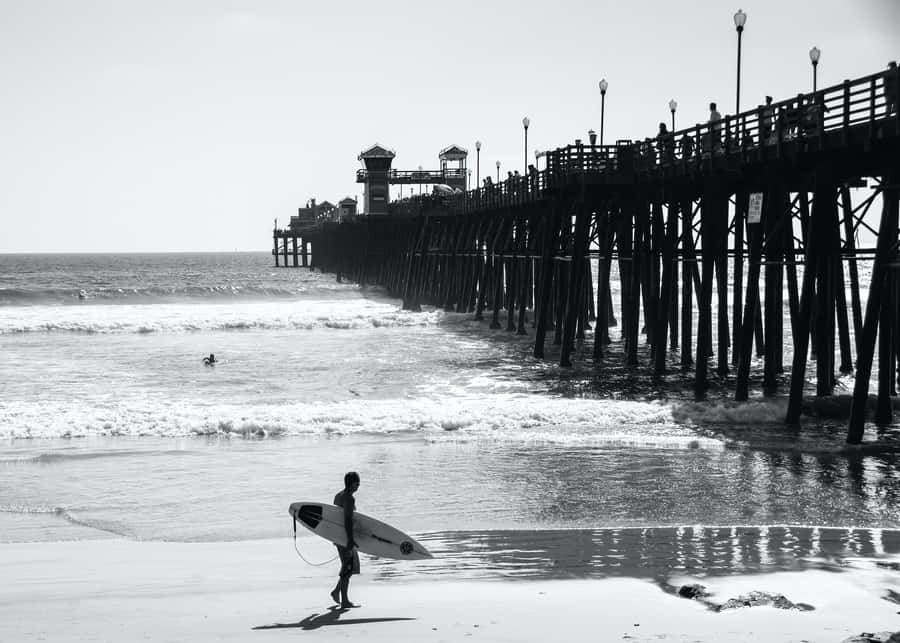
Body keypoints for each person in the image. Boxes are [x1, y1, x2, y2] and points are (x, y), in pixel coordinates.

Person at [330, 471, 360, 608]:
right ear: (351, 483)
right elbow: (347, 520)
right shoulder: (348, 498)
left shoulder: (339, 495)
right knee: (348, 567)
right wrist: (350, 540)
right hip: (345, 537)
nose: (358, 485)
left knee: (350, 566)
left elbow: (334, 518)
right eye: (357, 482)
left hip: (338, 536)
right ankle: (345, 601)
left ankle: (336, 592)